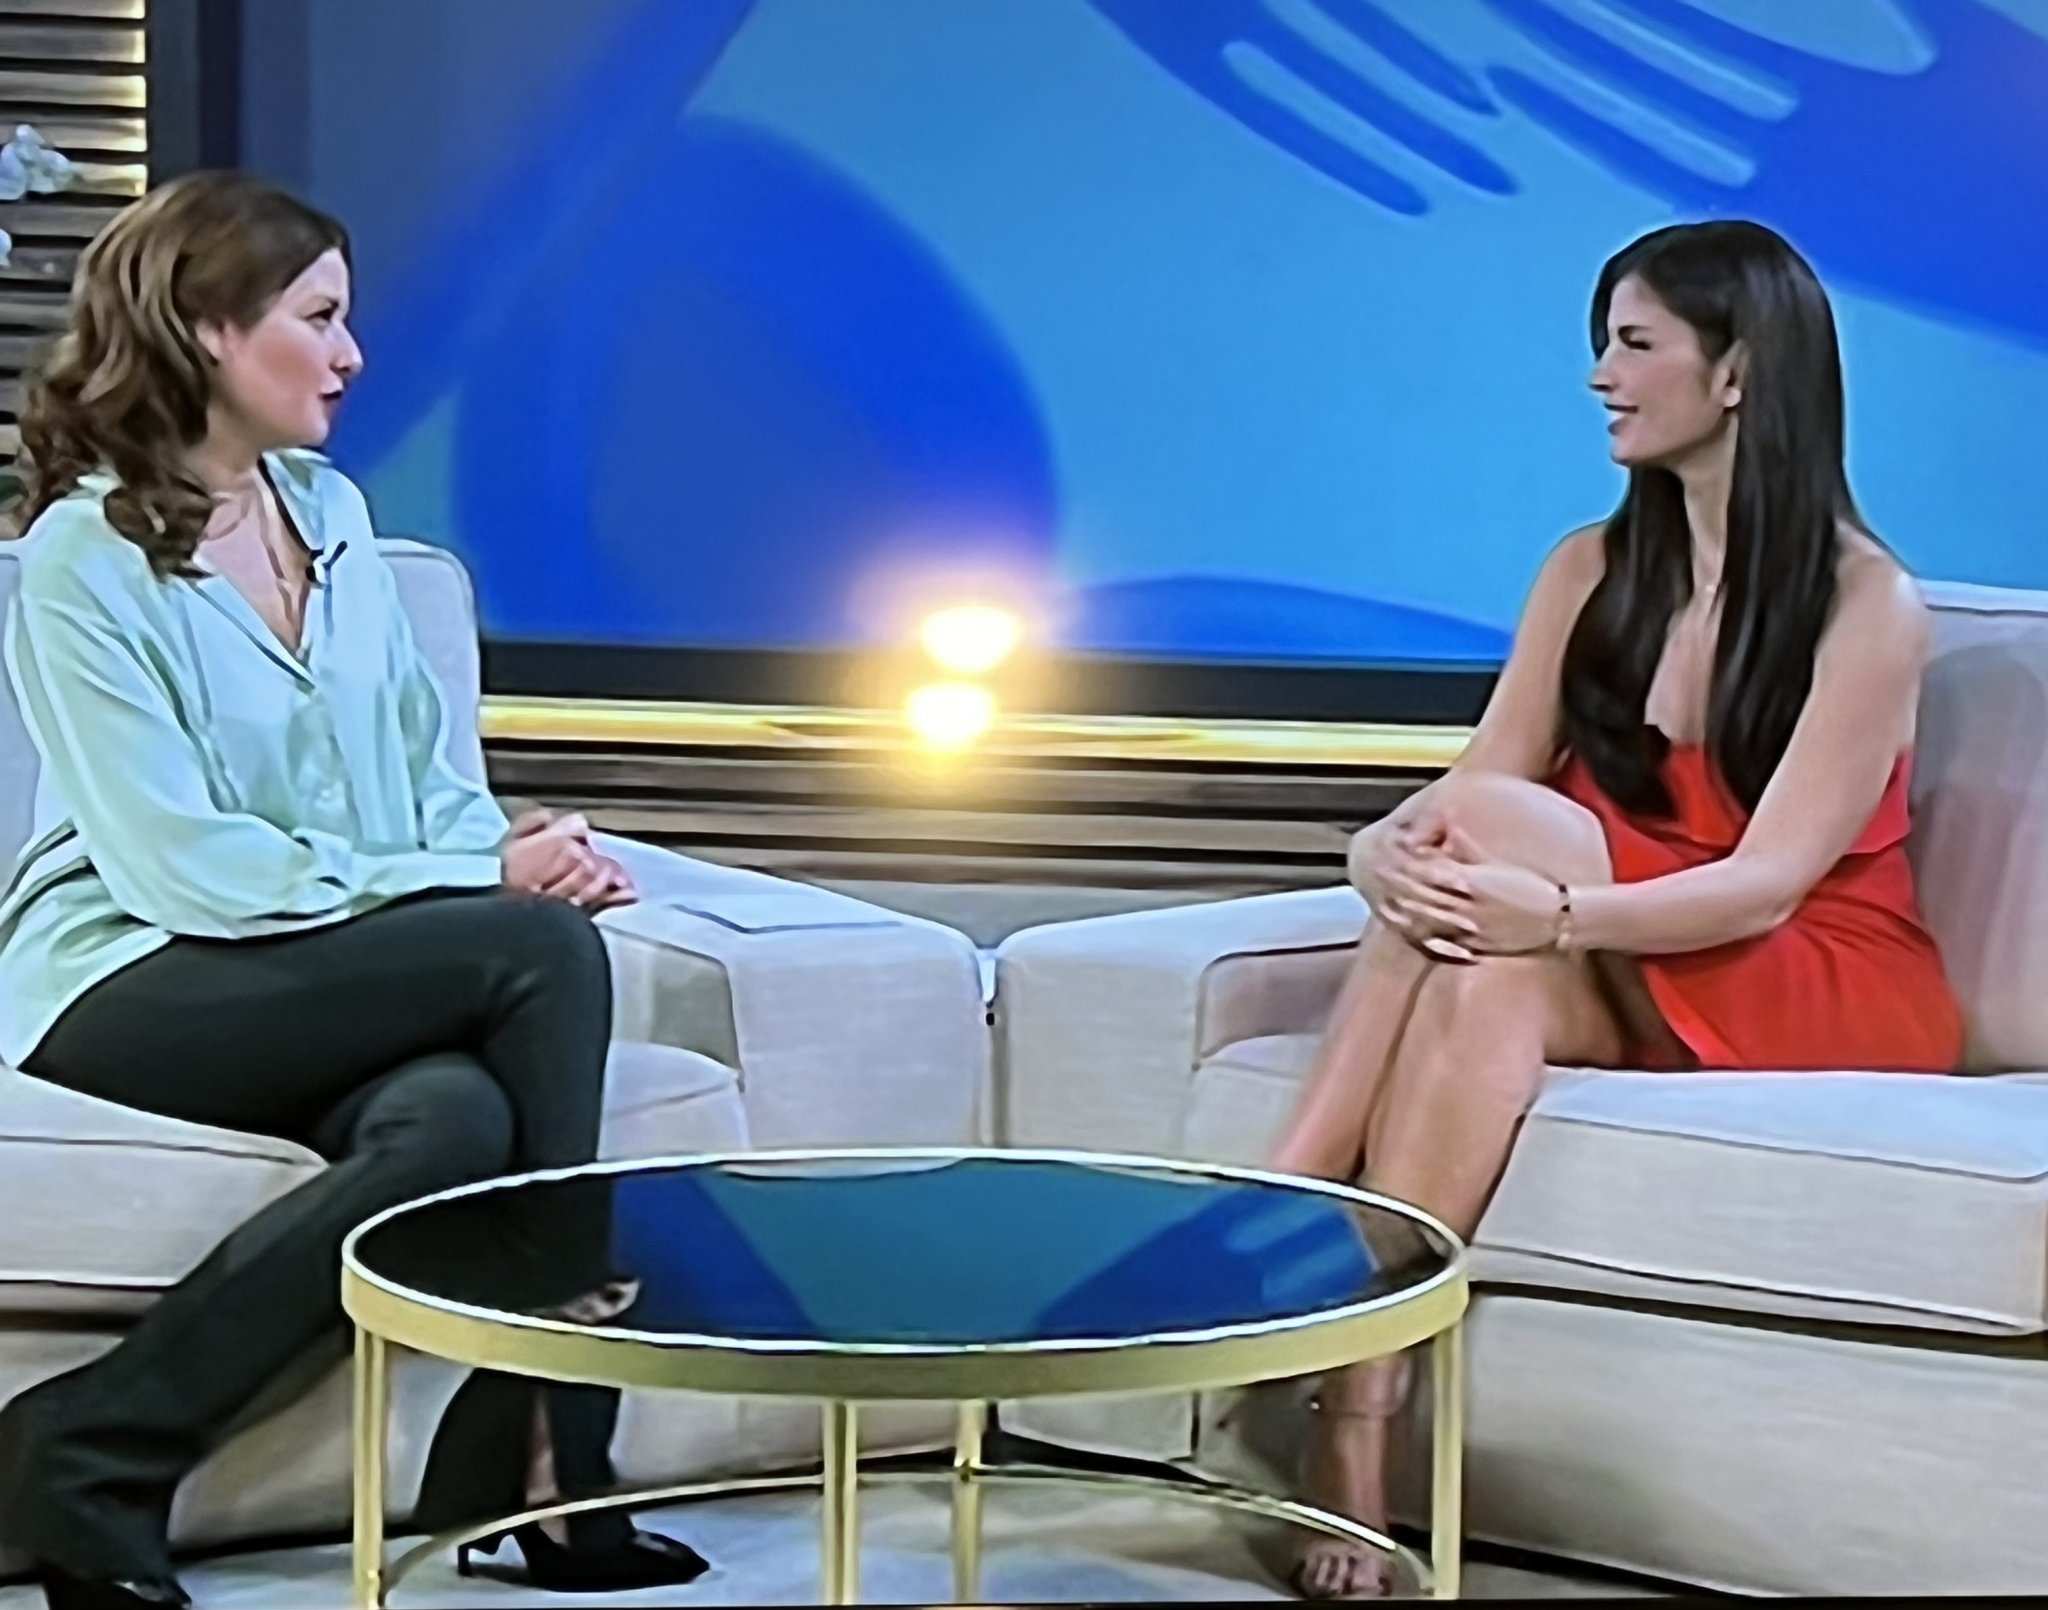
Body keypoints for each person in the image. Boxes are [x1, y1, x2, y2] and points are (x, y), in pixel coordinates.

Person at [0, 172, 710, 1610]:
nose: (352, 354)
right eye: (318, 318)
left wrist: (517, 855)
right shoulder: (85, 559)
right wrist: (482, 883)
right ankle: (552, 1440)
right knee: (539, 954)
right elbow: (182, 865)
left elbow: (427, 781)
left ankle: (90, 1446)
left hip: (313, 954)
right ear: (209, 327)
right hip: (124, 972)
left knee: (453, 1116)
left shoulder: (329, 513)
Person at [1268, 219, 1964, 1599]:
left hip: (1807, 965)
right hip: (1623, 940)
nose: (1601, 376)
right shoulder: (1588, 569)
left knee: (1513, 837)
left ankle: (1281, 1196)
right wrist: (1375, 854)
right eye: (1604, 342)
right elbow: (1471, 784)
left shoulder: (1865, 603)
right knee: (1480, 963)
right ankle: (1357, 1414)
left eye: (1636, 345)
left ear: (1739, 373)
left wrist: (1559, 916)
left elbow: (1767, 881)